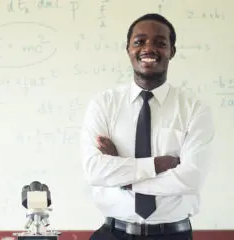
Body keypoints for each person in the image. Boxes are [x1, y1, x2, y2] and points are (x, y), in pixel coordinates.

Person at [80, 13, 215, 240]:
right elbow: (95, 170)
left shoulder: (194, 109)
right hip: (113, 233)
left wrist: (125, 180)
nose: (149, 48)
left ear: (172, 51)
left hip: (172, 234)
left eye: (160, 43)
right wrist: (156, 165)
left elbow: (190, 178)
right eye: (139, 41)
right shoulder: (104, 104)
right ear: (128, 49)